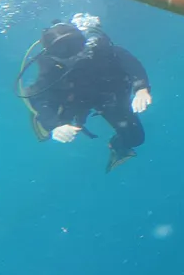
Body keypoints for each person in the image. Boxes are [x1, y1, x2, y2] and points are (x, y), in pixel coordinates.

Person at [16, 14, 153, 172]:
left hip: (107, 96)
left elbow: (129, 62)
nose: (73, 55)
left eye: (75, 46)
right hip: (74, 99)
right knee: (50, 122)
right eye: (63, 51)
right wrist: (54, 126)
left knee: (135, 138)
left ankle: (117, 146)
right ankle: (48, 121)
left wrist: (141, 88)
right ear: (52, 53)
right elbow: (39, 97)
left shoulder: (100, 49)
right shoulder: (51, 67)